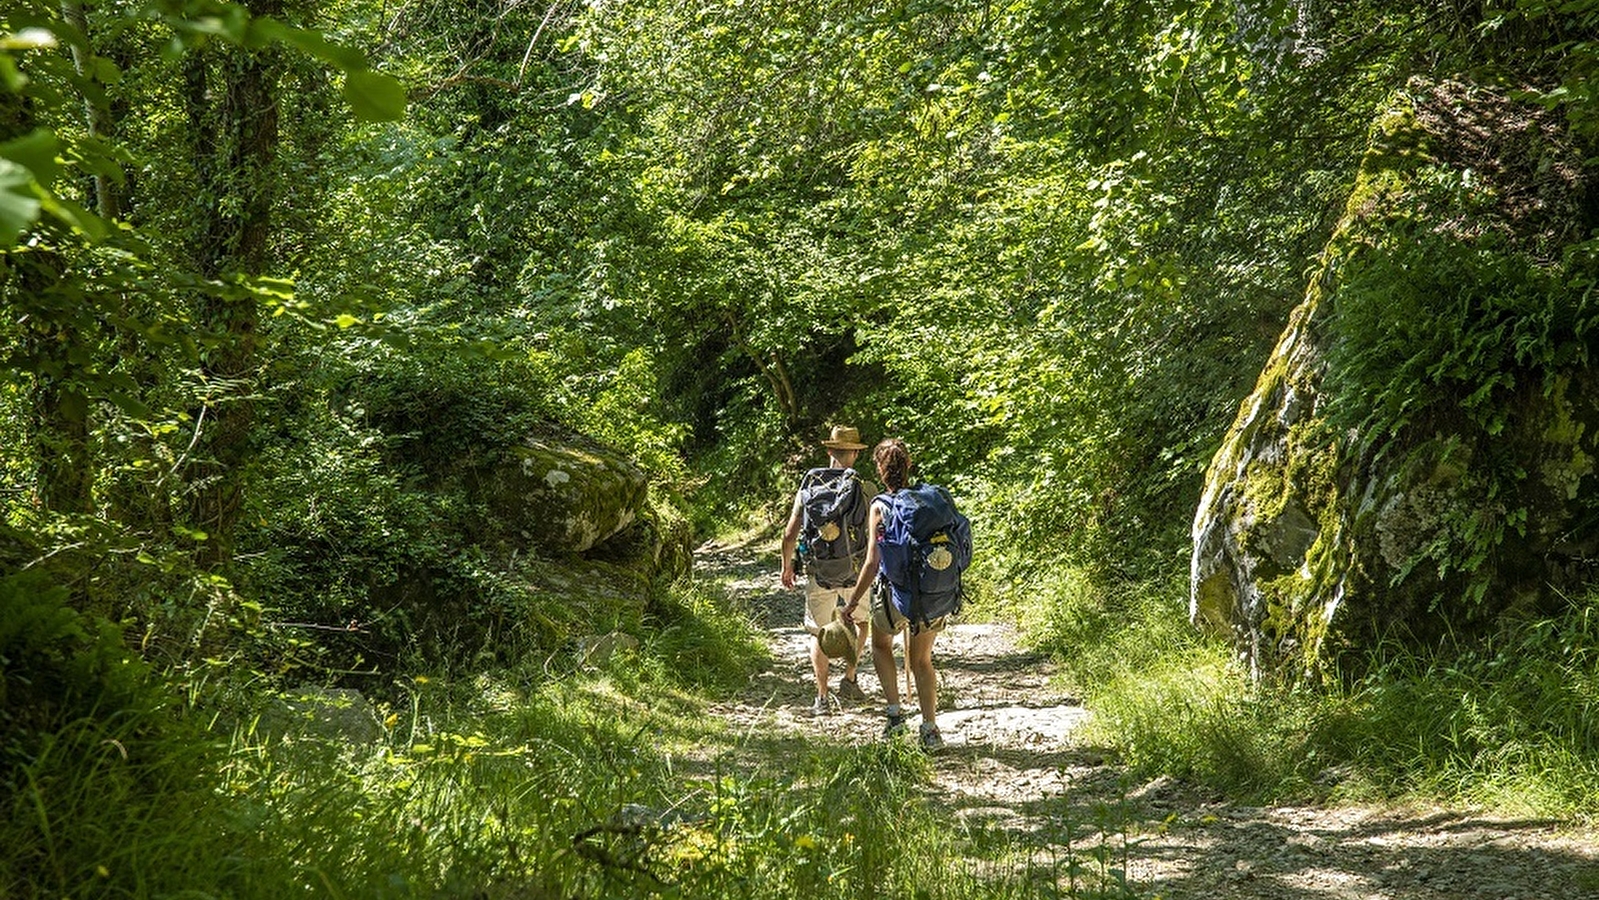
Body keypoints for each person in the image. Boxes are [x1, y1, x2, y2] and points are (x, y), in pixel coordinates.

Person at [844, 438, 948, 752]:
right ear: (909, 465)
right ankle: (930, 730)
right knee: (922, 660)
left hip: (894, 593)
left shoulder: (880, 506)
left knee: (880, 645)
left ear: (879, 468)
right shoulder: (929, 500)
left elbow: (872, 561)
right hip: (930, 591)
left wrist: (853, 602)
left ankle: (895, 716)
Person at [781, 425, 874, 717]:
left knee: (818, 631)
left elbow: (789, 534)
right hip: (856, 569)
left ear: (830, 450)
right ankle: (849, 678)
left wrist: (786, 565)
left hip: (818, 569)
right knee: (862, 622)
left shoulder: (809, 487)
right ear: (855, 454)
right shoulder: (864, 488)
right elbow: (873, 534)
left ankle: (821, 697)